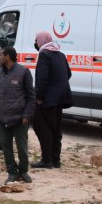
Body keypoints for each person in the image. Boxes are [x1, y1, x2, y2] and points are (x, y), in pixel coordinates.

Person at [0, 46, 34, 184]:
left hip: (19, 118)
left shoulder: (23, 72)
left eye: (1, 55)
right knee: (6, 146)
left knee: (22, 147)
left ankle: (23, 171)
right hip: (2, 117)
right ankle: (12, 173)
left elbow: (31, 96)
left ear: (8, 57)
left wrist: (27, 115)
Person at [30, 30, 73, 169]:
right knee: (56, 129)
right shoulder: (60, 54)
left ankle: (47, 160)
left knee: (41, 126)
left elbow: (42, 78)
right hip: (60, 98)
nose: (35, 43)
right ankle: (56, 160)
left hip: (48, 99)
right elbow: (68, 73)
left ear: (41, 41)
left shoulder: (44, 55)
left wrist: (40, 97)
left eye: (36, 40)